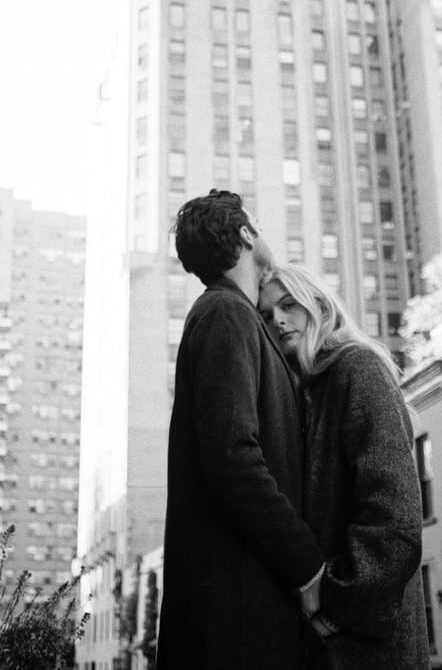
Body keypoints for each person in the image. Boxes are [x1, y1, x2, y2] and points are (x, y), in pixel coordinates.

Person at [156, 190, 325, 670]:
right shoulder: (225, 313)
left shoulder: (240, 318)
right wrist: (307, 565)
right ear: (247, 234)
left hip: (247, 611)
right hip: (236, 621)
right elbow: (232, 456)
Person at [258, 264, 431, 670]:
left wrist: (335, 604)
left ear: (319, 306)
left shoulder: (356, 367)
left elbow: (395, 514)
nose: (278, 320)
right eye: (266, 316)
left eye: (288, 305)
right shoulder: (309, 390)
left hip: (369, 643)